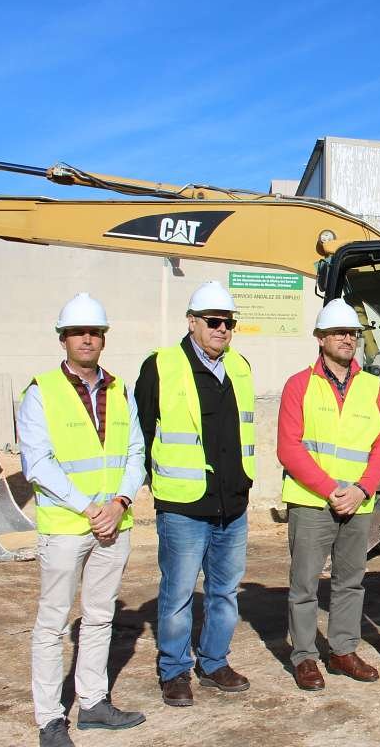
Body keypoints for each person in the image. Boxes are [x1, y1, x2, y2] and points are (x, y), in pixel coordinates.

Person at [21, 293, 146, 747]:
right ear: (63, 339)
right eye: (79, 332)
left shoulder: (120, 389)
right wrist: (89, 508)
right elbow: (38, 463)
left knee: (98, 619)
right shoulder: (41, 391)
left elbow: (136, 453)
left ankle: (92, 703)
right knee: (52, 624)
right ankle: (50, 719)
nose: (88, 339)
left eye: (95, 332)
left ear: (103, 338)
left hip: (114, 525)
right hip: (66, 527)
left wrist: (119, 502)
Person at [135, 280, 255, 706]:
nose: (222, 329)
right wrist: (156, 483)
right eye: (213, 321)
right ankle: (174, 670)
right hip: (184, 505)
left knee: (224, 591)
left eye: (229, 323)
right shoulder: (161, 365)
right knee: (179, 592)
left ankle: (214, 662)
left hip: (232, 505)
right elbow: (143, 431)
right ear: (192, 322)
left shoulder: (239, 367)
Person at [276, 298, 380, 690]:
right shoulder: (299, 385)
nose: (347, 339)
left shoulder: (371, 386)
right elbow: (289, 448)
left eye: (353, 333)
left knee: (350, 581)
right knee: (305, 584)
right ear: (320, 337)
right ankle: (305, 657)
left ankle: (342, 650)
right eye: (339, 332)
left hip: (358, 502)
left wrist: (361, 489)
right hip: (312, 502)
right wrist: (332, 489)